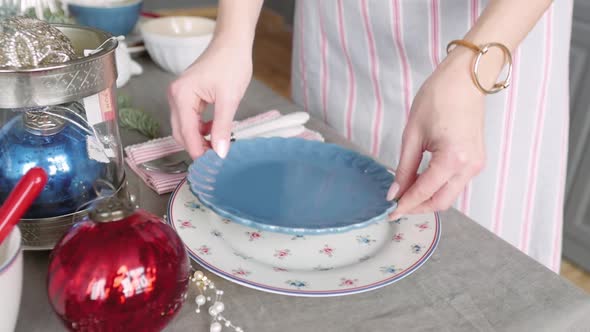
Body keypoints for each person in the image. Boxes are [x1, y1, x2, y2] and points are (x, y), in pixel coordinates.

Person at [167, 0, 572, 273]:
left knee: (477, 269)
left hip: (495, 36)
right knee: (319, 244)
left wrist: (472, 71)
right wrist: (232, 36)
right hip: (343, 29)